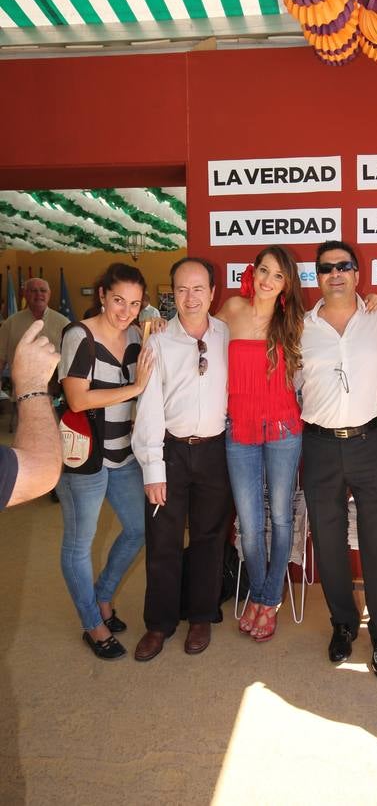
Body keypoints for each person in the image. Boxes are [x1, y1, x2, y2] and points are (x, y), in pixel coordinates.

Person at [300, 240, 377, 679]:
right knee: (327, 537)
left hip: (369, 441)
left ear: (357, 274)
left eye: (343, 266)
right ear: (317, 276)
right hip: (319, 444)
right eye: (326, 268)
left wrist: (374, 385)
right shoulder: (299, 327)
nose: (335, 274)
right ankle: (343, 623)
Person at [131, 257, 233, 661]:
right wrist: (153, 469)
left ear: (212, 292)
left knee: (210, 538)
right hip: (170, 452)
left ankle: (201, 617)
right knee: (163, 541)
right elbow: (149, 408)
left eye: (198, 289)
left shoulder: (227, 334)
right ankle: (159, 624)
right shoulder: (156, 341)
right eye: (181, 290)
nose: (190, 298)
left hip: (215, 452)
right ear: (172, 294)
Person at [57, 263, 154, 661]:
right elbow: (78, 399)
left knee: (137, 529)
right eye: (118, 300)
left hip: (123, 454)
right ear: (101, 295)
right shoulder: (78, 335)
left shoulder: (136, 335)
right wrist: (134, 387)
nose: (125, 310)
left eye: (134, 303)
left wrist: (154, 330)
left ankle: (102, 596)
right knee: (80, 544)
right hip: (84, 458)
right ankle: (92, 622)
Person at [216, 246, 304, 642]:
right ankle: (261, 592)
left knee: (282, 517)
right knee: (250, 525)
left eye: (278, 275)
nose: (268, 280)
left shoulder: (295, 321)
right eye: (264, 270)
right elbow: (197, 339)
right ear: (253, 273)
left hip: (285, 428)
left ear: (287, 284)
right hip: (240, 428)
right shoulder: (232, 308)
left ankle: (267, 600)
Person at [0, 320, 62, 510]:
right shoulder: (12, 323)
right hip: (29, 394)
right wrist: (32, 383)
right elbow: (39, 471)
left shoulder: (61, 320)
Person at [0, 277, 68, 392]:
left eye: (43, 290)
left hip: (58, 395)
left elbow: (72, 361)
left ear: (49, 294)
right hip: (21, 395)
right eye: (33, 290)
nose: (39, 294)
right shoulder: (10, 324)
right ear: (25, 294)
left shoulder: (64, 323)